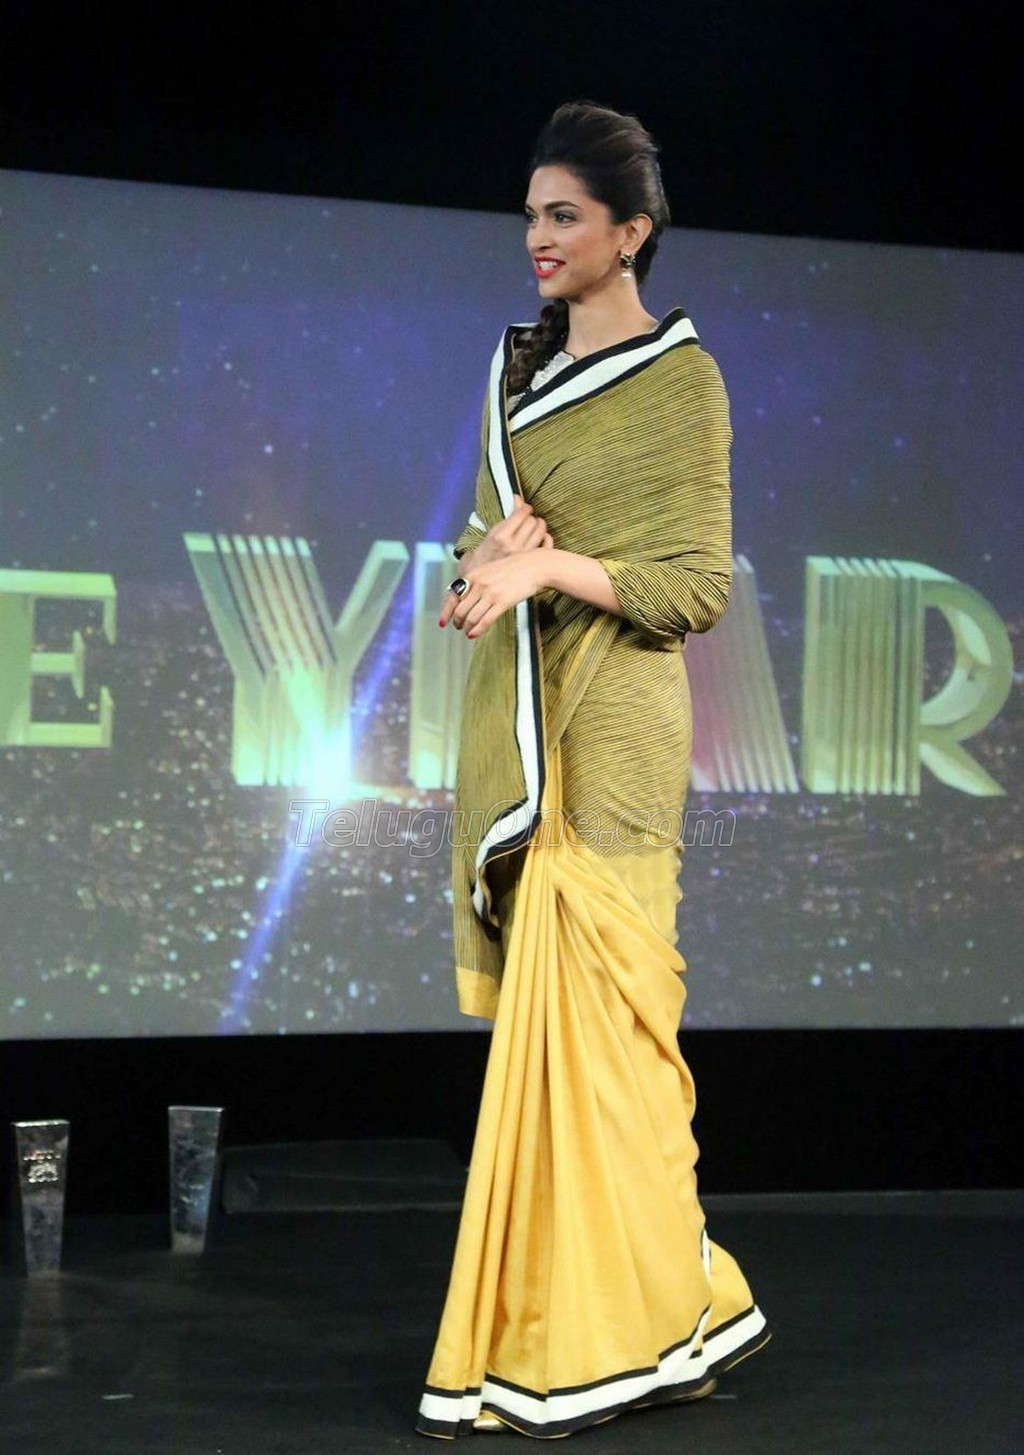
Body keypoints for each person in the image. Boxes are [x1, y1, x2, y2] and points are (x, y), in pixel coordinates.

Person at [416, 100, 769, 1441]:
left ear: (632, 231)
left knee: (618, 1059)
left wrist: (547, 565)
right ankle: (573, 1330)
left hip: (617, 734)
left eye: (563, 216)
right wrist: (487, 567)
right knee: (553, 1069)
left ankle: (636, 1329)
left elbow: (692, 590)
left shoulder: (683, 382)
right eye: (531, 216)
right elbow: (491, 544)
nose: (538, 238)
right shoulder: (515, 371)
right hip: (526, 726)